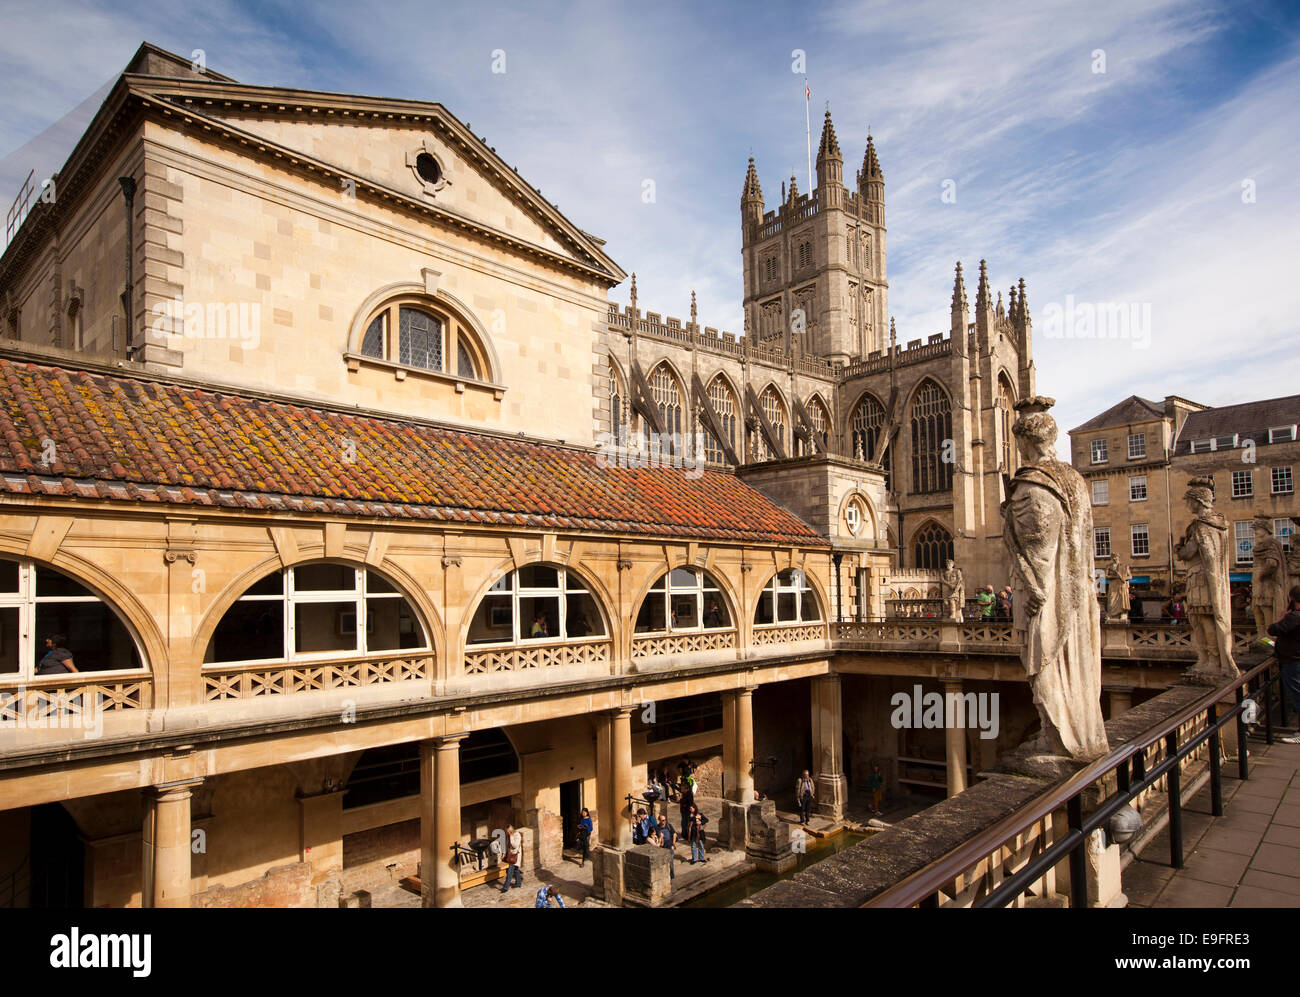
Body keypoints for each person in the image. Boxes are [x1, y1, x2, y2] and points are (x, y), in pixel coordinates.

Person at [1002, 396, 1108, 760]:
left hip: (1047, 594)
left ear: (1024, 442)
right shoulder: (1074, 480)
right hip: (1077, 594)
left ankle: (1057, 735)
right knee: (1074, 660)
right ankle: (1077, 730)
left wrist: (1033, 588)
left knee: (1044, 660)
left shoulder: (1033, 484)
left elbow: (1037, 548)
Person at [1267, 586, 1300, 745]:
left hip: (1293, 662)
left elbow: (1273, 629)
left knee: (1298, 696)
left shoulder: (1294, 617)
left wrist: (1282, 617)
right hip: (1295, 660)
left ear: (1293, 600)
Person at [500, 824, 524, 893]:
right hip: (511, 855)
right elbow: (508, 846)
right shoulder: (509, 836)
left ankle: (505, 887)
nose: (506, 833)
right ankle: (518, 883)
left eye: (507, 831)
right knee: (516, 870)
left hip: (515, 855)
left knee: (510, 872)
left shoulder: (517, 835)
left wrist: (511, 837)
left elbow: (514, 845)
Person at [659, 813, 678, 880]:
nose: (664, 821)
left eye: (664, 820)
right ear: (659, 820)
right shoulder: (657, 827)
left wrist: (673, 844)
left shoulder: (669, 826)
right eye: (662, 820)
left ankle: (671, 876)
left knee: (671, 862)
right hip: (662, 847)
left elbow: (674, 835)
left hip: (669, 846)